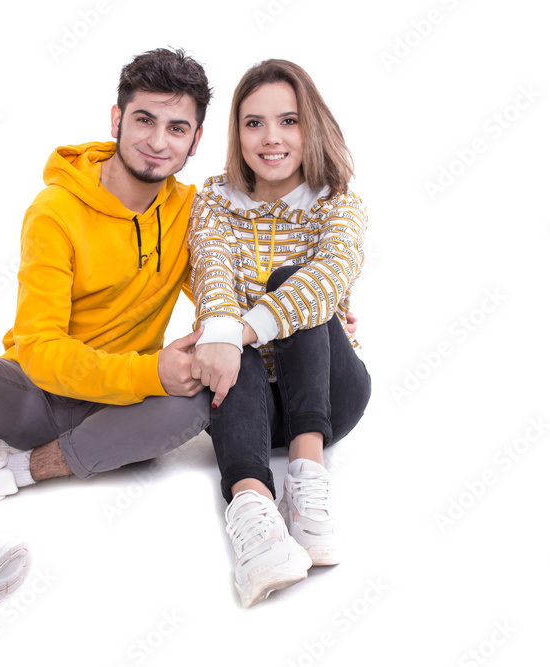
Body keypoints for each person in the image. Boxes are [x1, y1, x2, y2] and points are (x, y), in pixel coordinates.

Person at [0, 48, 213, 640]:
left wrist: (307, 306)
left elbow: (224, 291)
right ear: (116, 121)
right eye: (144, 120)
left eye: (176, 127)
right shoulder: (57, 210)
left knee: (200, 396)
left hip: (118, 415)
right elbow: (39, 350)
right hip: (36, 399)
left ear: (195, 140)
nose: (158, 141)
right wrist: (148, 374)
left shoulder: (191, 213)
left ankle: (9, 473)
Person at [187, 59, 371, 608]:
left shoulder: (337, 203)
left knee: (292, 287)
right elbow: (212, 275)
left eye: (288, 121)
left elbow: (330, 276)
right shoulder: (214, 202)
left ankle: (307, 481)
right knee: (223, 339)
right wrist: (225, 332)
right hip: (243, 402)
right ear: (236, 133)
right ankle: (253, 516)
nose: (271, 139)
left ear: (309, 127)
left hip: (328, 395)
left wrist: (237, 328)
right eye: (253, 123)